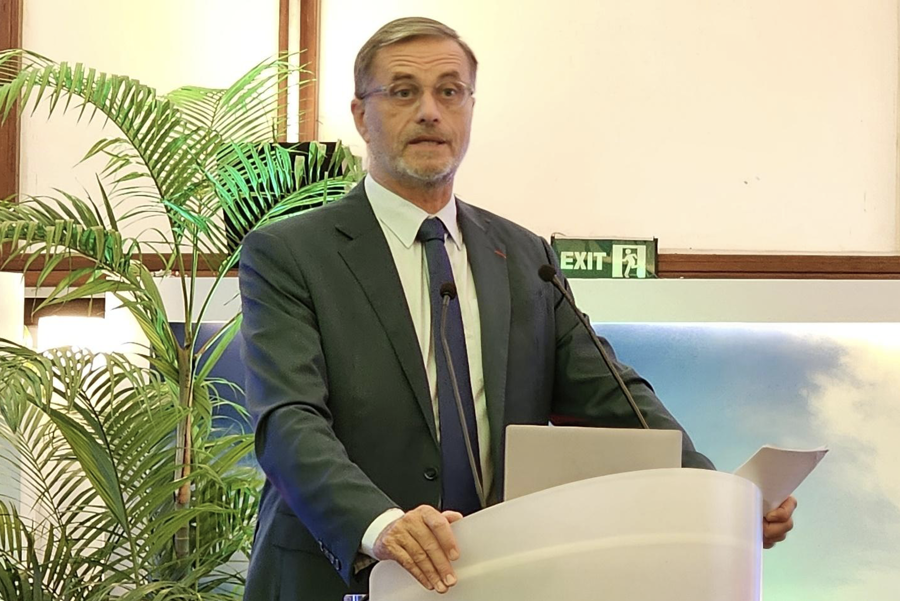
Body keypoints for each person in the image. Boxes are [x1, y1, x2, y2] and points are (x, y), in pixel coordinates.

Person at [238, 17, 797, 601]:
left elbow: (614, 397)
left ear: (469, 109)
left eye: (449, 91)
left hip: (492, 577)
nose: (430, 111)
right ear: (361, 116)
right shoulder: (290, 253)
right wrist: (381, 526)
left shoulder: (524, 255)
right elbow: (288, 421)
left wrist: (717, 499)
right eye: (403, 91)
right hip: (335, 578)